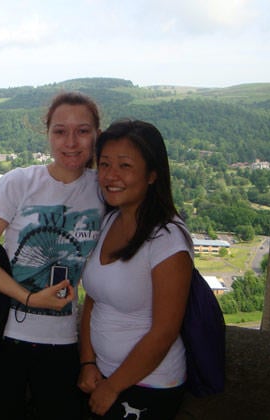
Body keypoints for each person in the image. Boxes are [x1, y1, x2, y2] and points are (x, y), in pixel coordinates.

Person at [0, 91, 106, 419]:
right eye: (60, 131)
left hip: (64, 342)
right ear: (47, 134)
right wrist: (30, 298)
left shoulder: (104, 188)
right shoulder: (20, 182)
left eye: (83, 131)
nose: (71, 142)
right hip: (4, 335)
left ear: (96, 136)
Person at [78, 119, 193, 419]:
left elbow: (164, 332)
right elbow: (94, 297)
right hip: (103, 375)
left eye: (125, 166)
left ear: (152, 174)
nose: (111, 176)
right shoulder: (109, 221)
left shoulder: (167, 240)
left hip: (149, 385)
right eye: (104, 165)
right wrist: (87, 362)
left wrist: (113, 387)